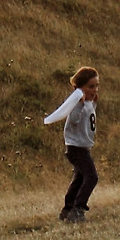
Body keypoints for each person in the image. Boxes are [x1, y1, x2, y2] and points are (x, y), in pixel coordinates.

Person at [43, 66, 102, 221]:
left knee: (80, 178)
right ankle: (78, 208)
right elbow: (74, 119)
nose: (94, 90)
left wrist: (91, 102)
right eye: (91, 86)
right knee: (91, 177)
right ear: (80, 88)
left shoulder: (89, 102)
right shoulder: (77, 104)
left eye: (96, 86)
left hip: (84, 147)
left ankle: (67, 208)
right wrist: (79, 104)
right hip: (76, 148)